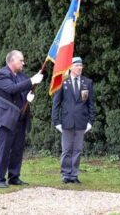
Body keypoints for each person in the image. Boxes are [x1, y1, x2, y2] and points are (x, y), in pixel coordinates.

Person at [0, 50, 43, 188]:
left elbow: (25, 88)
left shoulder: (21, 75)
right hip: (7, 117)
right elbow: (12, 89)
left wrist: (30, 92)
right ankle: (0, 179)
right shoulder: (2, 74)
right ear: (12, 60)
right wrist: (31, 80)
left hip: (20, 116)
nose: (23, 63)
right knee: (4, 149)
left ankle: (14, 176)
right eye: (21, 60)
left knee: (17, 149)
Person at [51, 56, 95, 184]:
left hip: (81, 122)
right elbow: (56, 104)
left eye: (81, 66)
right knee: (66, 149)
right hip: (66, 121)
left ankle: (74, 175)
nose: (79, 68)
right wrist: (56, 121)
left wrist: (90, 121)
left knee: (77, 149)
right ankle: (66, 174)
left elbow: (91, 103)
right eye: (76, 65)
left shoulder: (87, 83)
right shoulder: (63, 82)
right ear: (70, 67)